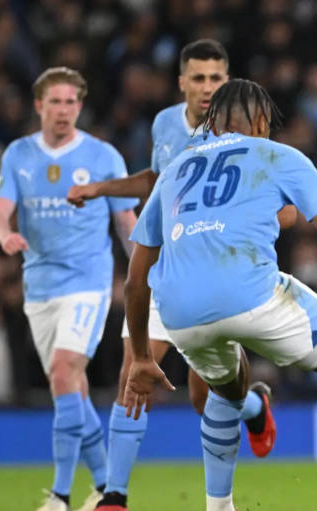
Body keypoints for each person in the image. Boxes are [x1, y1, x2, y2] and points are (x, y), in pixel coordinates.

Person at [123, 79, 317, 511]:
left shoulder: (174, 171)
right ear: (261, 122)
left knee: (225, 391)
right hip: (249, 293)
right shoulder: (278, 155)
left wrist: (141, 357)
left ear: (211, 123)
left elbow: (136, 279)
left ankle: (218, 507)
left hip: (179, 313)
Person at [66, 40, 285, 511]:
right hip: (163, 268)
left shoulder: (241, 133)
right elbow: (156, 180)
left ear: (228, 82)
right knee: (133, 370)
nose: (208, 87)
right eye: (199, 78)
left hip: (212, 273)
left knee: (205, 398)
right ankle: (114, 497)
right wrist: (103, 188)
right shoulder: (165, 124)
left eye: (216, 78)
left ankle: (253, 407)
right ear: (182, 81)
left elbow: (279, 199)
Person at [0, 67, 139, 511]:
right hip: (39, 286)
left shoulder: (103, 156)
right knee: (70, 388)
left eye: (71, 101)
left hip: (88, 282)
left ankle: (60, 495)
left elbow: (125, 222)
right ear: (39, 105)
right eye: (55, 101)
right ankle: (107, 488)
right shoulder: (19, 154)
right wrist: (4, 235)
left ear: (80, 106)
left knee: (63, 369)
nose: (64, 110)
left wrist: (147, 275)